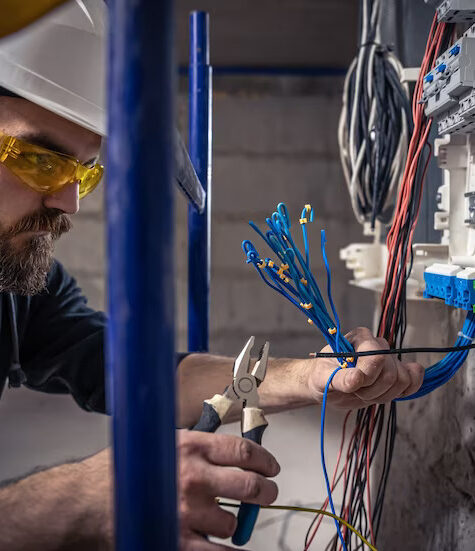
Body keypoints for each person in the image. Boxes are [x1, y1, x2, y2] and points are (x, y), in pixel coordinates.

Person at [0, 2, 425, 550]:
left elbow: (130, 374)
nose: (69, 202)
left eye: (86, 173)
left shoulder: (18, 284)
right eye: (41, 160)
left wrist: (310, 378)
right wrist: (76, 498)